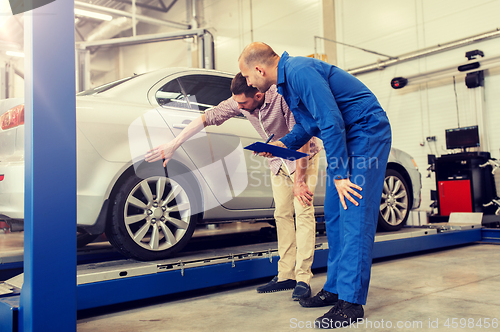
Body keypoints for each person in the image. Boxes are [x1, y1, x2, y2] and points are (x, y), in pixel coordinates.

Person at [238, 42, 392, 329]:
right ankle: (334, 287)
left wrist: (341, 175)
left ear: (258, 69)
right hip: (348, 135)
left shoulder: (299, 70)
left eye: (247, 77)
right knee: (333, 214)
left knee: (354, 214)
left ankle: (351, 302)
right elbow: (309, 126)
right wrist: (282, 145)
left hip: (366, 132)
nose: (248, 83)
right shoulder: (286, 84)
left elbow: (331, 121)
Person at [145, 72, 322, 300]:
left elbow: (304, 138)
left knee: (303, 213)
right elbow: (206, 117)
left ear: (258, 96)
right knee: (282, 215)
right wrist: (173, 144)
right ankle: (286, 275)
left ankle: (303, 278)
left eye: (242, 103)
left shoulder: (282, 98)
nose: (238, 107)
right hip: (278, 159)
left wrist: (299, 181)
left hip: (304, 157)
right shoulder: (240, 102)